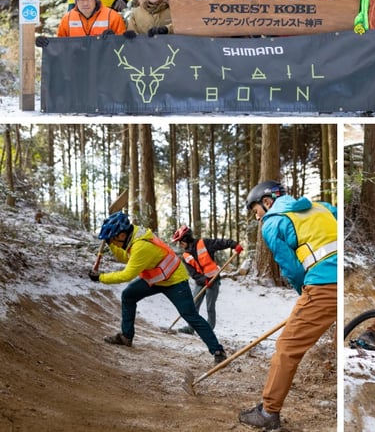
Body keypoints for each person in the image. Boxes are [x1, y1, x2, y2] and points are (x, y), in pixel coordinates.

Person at [238, 181, 338, 430]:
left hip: (323, 284)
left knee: (287, 347)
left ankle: (269, 412)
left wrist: (305, 294)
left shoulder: (273, 222)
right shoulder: (321, 207)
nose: (257, 216)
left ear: (267, 202)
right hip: (344, 277)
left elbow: (291, 268)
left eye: (256, 210)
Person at [88, 212, 225, 363]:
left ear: (121, 235)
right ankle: (126, 336)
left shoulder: (141, 246)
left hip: (174, 280)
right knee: (128, 295)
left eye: (113, 239)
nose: (113, 242)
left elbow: (126, 275)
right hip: (155, 278)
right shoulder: (131, 236)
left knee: (190, 315)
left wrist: (100, 277)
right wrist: (110, 243)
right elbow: (123, 256)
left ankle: (217, 350)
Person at [170, 225, 242, 335]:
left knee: (210, 307)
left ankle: (209, 330)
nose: (180, 244)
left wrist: (234, 245)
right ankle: (190, 328)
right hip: (200, 282)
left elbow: (220, 243)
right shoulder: (185, 255)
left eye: (181, 241)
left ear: (186, 238)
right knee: (193, 305)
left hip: (213, 280)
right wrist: (203, 280)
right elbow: (193, 273)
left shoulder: (204, 243)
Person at [55, 0, 127, 38]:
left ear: (95, 0)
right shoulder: (67, 20)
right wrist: (47, 44)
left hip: (105, 56)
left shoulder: (113, 17)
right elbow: (59, 48)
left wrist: (114, 39)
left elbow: (124, 47)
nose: (85, 3)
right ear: (76, 1)